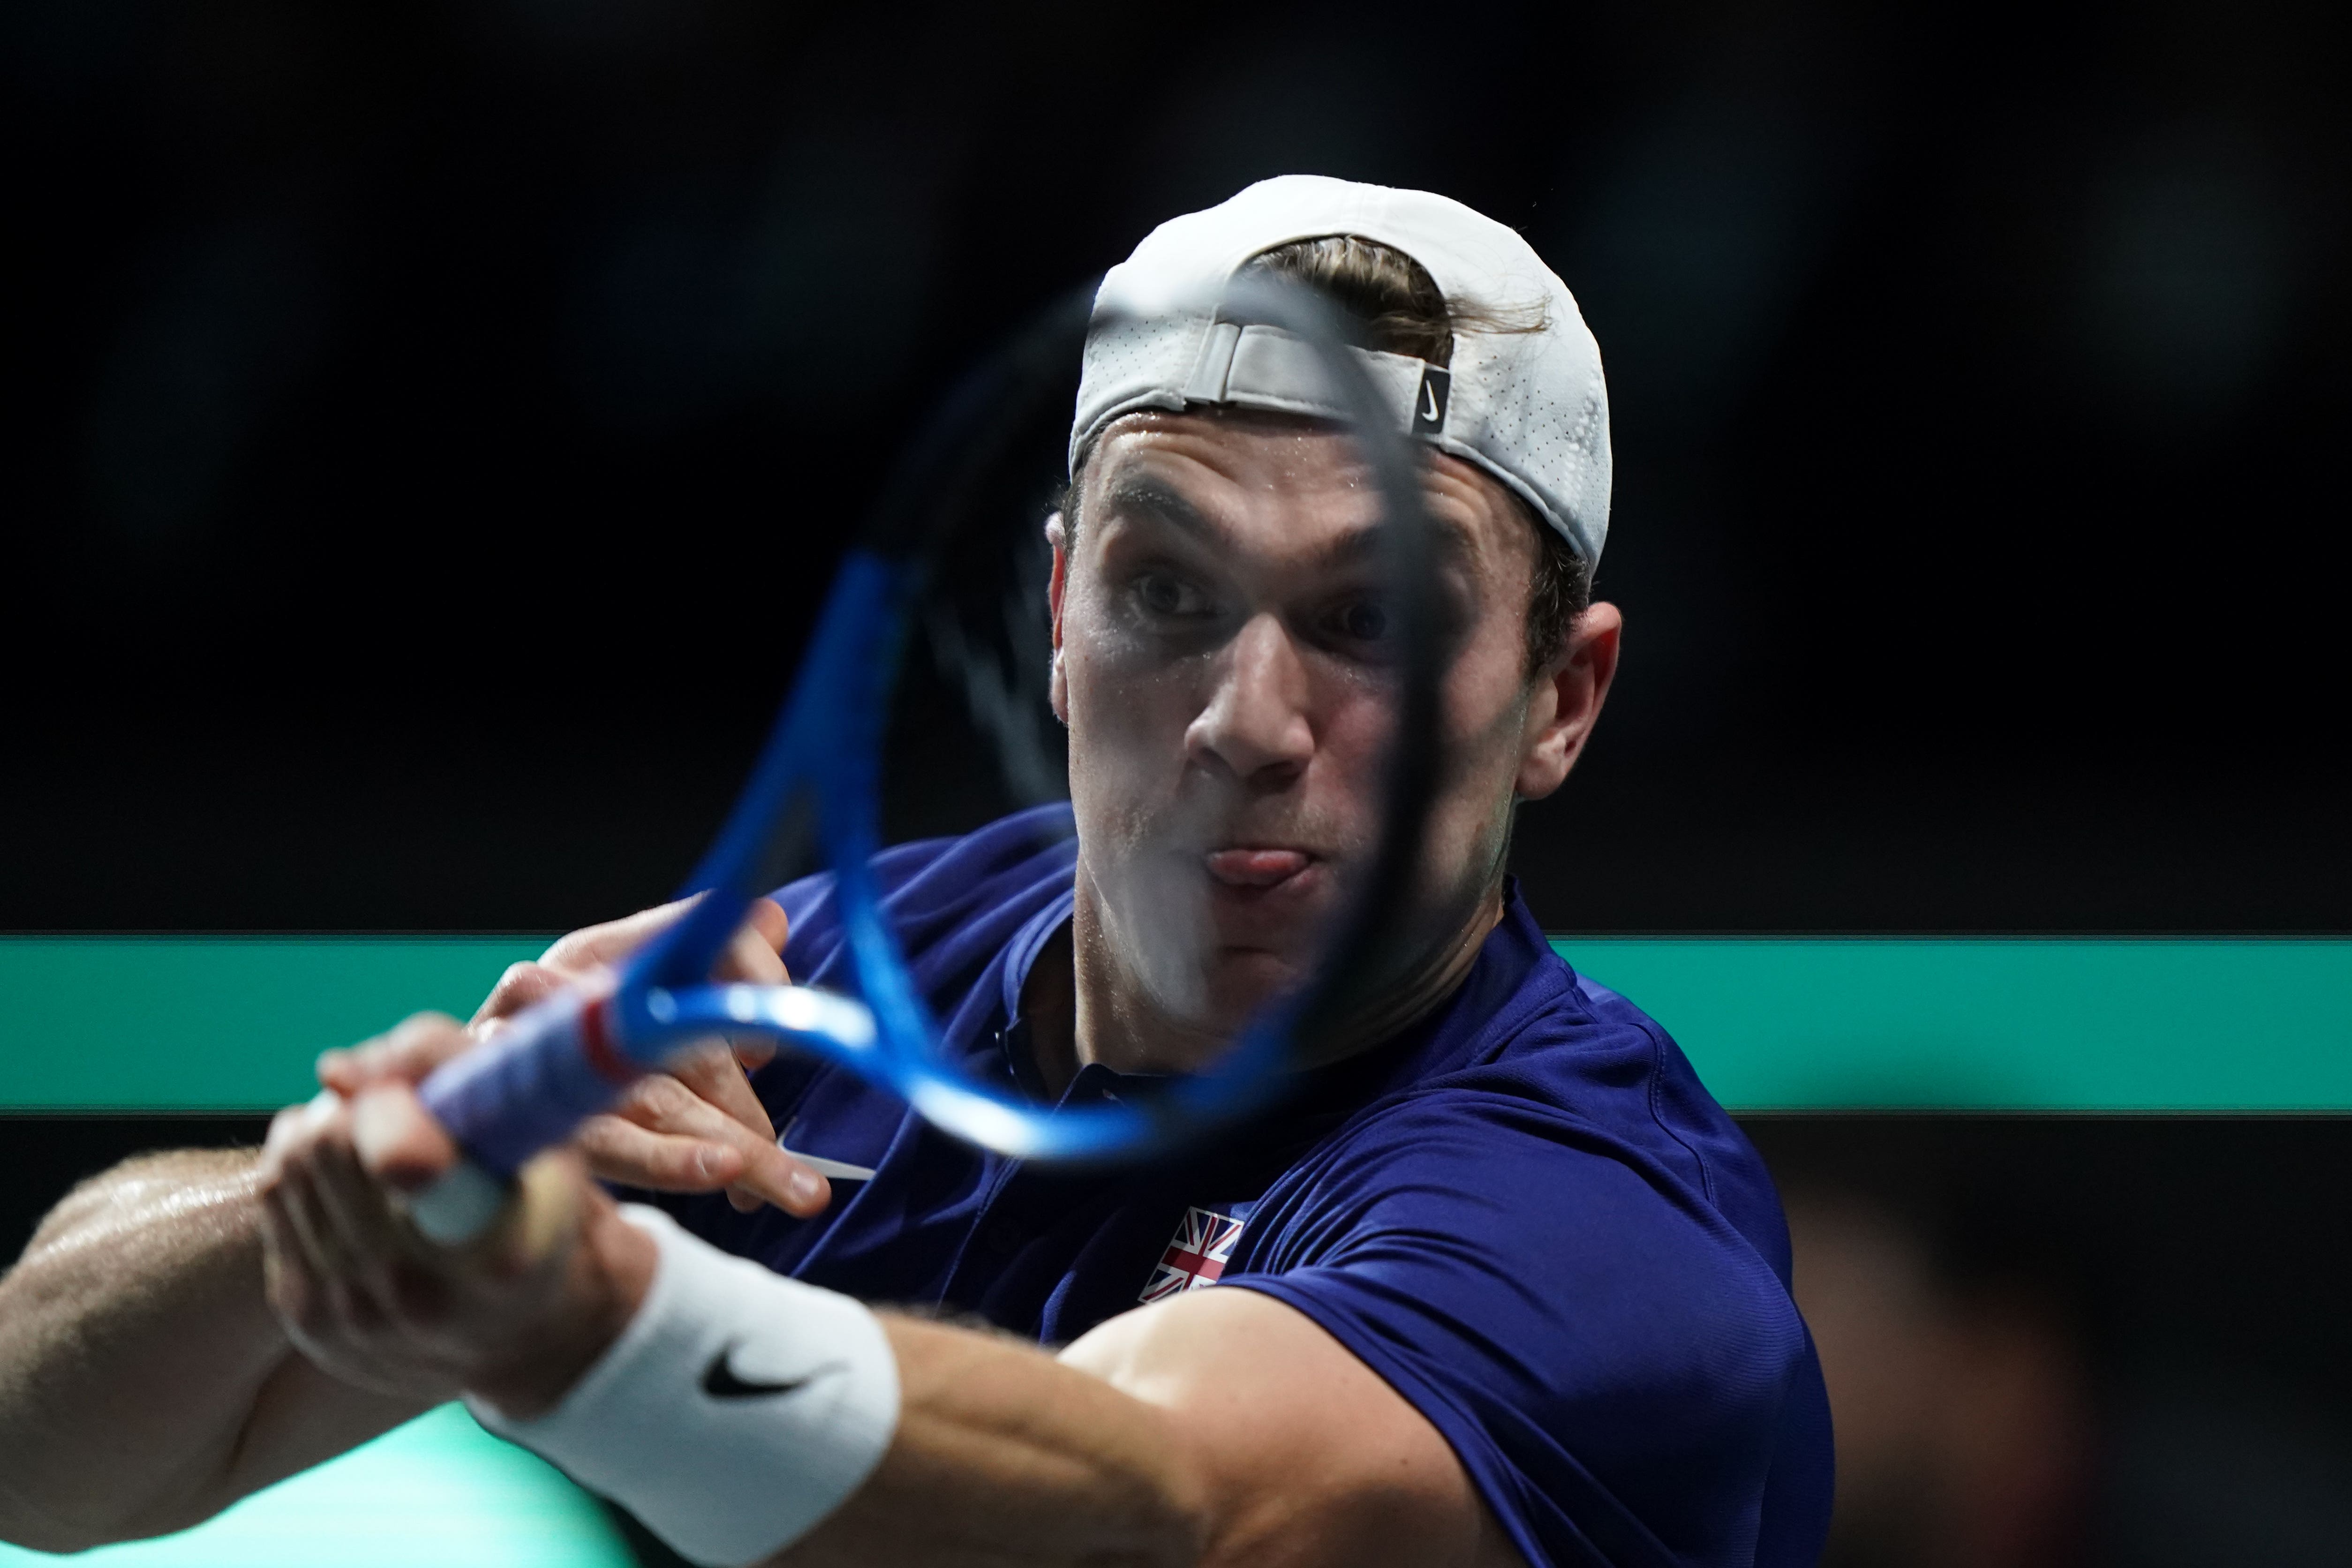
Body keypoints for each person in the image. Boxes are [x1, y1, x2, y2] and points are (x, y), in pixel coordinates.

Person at [0, 176, 1831, 1568]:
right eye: (1167, 593)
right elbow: (44, 1454)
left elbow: (1161, 1502)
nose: (1246, 720)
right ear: (1057, 614)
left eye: (1374, 618)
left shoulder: (1612, 1234)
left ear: (1558, 696)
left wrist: (580, 1319)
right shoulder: (828, 988)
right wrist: (345, 1210)